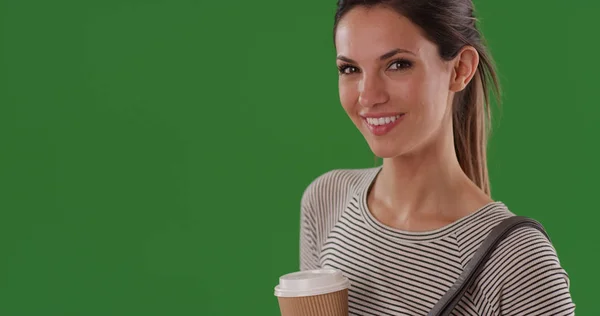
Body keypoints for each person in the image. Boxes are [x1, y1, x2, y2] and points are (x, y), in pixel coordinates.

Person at [299, 0, 576, 315]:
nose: (368, 95)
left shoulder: (517, 260)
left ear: (460, 70)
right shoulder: (327, 201)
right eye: (350, 69)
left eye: (398, 64)